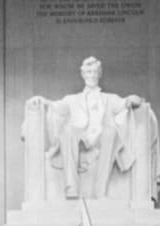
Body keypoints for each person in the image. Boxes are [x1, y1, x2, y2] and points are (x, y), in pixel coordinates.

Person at [32, 56, 144, 198]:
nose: (92, 75)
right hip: (81, 139)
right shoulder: (72, 99)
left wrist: (131, 99)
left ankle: (100, 189)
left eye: (95, 72)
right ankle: (71, 187)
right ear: (83, 74)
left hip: (101, 139)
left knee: (110, 131)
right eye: (89, 72)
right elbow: (58, 107)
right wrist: (44, 101)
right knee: (68, 130)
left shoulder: (109, 98)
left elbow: (123, 103)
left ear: (99, 74)